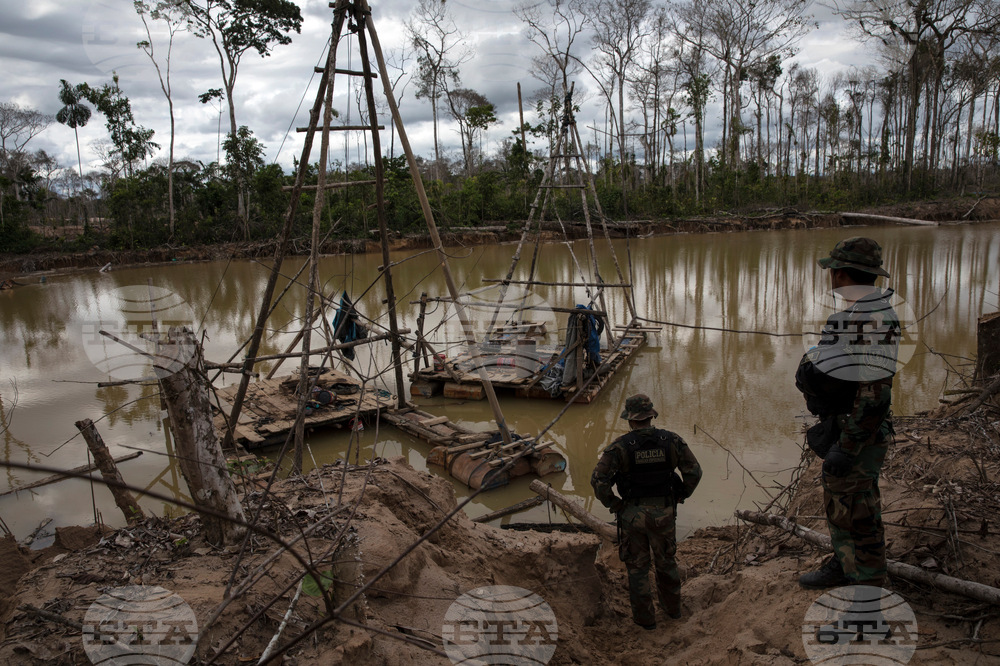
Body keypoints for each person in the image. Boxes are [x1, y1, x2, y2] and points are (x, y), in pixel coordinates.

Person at [796, 237, 900, 589]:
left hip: (859, 432)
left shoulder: (874, 318)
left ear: (841, 274)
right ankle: (846, 563)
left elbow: (875, 392)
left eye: (832, 270)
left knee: (859, 512)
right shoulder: (856, 314)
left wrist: (849, 445)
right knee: (845, 506)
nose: (830, 277)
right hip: (845, 424)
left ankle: (868, 590)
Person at [591, 394, 702, 630]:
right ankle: (673, 612)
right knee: (666, 563)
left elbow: (599, 481)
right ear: (651, 416)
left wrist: (616, 505)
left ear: (630, 421)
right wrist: (681, 495)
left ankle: (645, 621)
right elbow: (694, 472)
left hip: (632, 515)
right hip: (663, 512)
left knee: (638, 568)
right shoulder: (672, 441)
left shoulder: (619, 447)